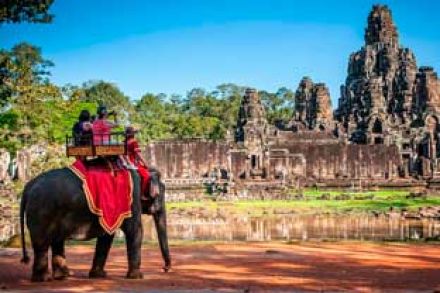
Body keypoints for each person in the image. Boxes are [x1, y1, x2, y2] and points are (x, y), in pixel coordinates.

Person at [125, 126, 153, 199]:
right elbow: (138, 154)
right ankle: (141, 194)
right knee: (146, 176)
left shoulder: (124, 142)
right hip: (132, 162)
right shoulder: (133, 142)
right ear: (133, 134)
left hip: (124, 162)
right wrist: (145, 163)